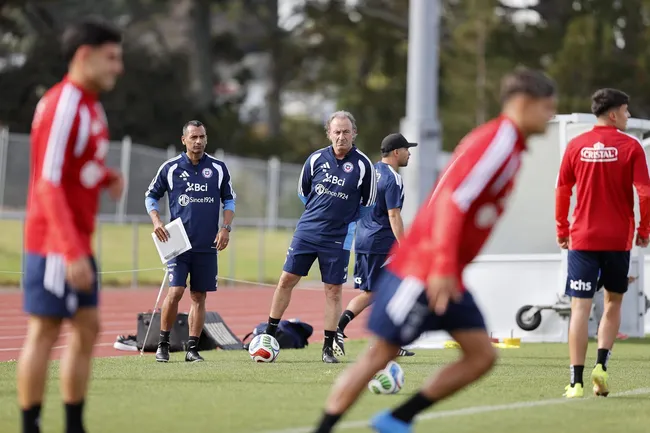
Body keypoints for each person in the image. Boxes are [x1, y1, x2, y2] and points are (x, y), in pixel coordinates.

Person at [312, 67, 557, 433]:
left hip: (447, 272)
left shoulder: (511, 146)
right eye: (547, 107)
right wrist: (442, 265)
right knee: (378, 355)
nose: (551, 116)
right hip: (425, 269)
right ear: (523, 103)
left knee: (481, 356)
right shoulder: (499, 142)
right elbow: (451, 205)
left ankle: (397, 418)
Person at [18, 17, 124, 433]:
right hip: (55, 243)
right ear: (85, 56)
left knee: (87, 327)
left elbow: (73, 171)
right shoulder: (64, 103)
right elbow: (46, 182)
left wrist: (104, 177)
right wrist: (71, 250)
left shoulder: (90, 106)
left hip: (75, 240)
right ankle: (30, 425)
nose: (118, 67)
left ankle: (73, 425)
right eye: (111, 58)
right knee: (45, 331)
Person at [555, 88, 650, 399]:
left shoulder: (576, 145)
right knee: (613, 303)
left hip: (582, 237)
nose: (628, 115)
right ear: (613, 114)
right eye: (625, 110)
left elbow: (563, 190)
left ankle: (576, 381)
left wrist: (562, 228)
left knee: (580, 307)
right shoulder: (631, 146)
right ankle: (602, 365)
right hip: (617, 239)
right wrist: (644, 229)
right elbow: (645, 193)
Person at [264, 110, 377, 363]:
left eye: (346, 131)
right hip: (307, 231)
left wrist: (343, 219)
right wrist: (319, 214)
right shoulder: (315, 159)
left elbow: (368, 204)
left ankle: (327, 347)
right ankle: (269, 336)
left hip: (337, 237)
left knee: (333, 291)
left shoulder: (363, 165)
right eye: (336, 132)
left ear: (354, 133)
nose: (341, 136)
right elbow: (304, 193)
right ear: (329, 133)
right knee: (286, 280)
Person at [145, 120, 236, 363]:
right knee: (175, 291)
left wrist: (225, 228)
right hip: (178, 243)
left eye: (202, 137)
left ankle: (192, 348)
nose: (198, 141)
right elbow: (151, 196)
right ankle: (163, 344)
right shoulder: (171, 168)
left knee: (199, 296)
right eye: (194, 137)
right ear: (183, 139)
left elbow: (229, 201)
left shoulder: (218, 168)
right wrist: (156, 221)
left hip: (207, 245)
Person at [336, 133, 416, 358]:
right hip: (382, 243)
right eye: (407, 150)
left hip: (362, 240)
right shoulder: (393, 178)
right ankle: (370, 339)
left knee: (373, 292)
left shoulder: (369, 171)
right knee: (391, 290)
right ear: (397, 152)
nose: (410, 154)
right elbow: (393, 215)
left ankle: (352, 333)